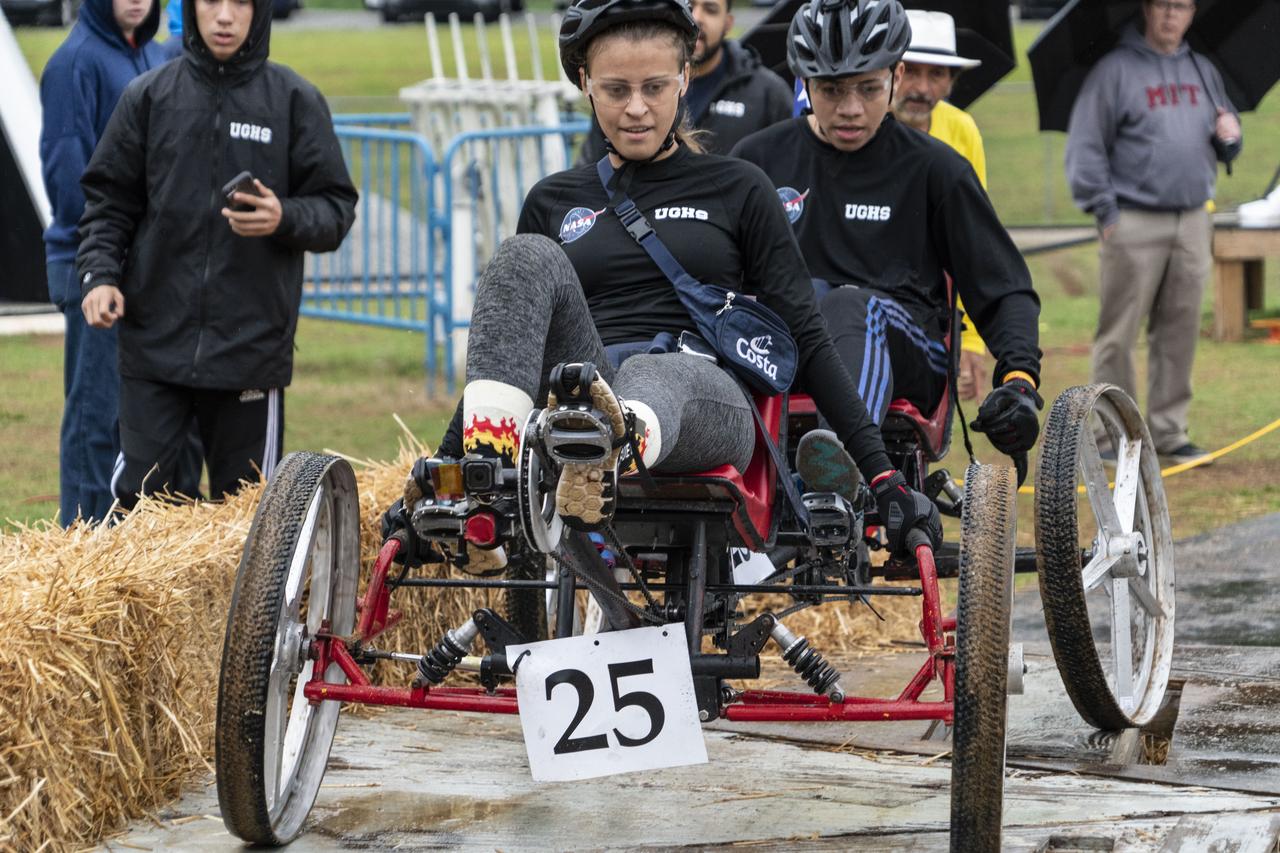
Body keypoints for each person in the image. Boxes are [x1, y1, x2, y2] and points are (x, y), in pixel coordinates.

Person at [386, 0, 940, 568]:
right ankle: (482, 485)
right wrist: (442, 469)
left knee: (649, 372)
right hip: (584, 383)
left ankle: (610, 444)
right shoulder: (554, 199)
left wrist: (883, 474)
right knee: (522, 256)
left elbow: (809, 337)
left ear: (684, 78)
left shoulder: (739, 187)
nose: (636, 109)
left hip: (703, 394)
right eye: (615, 89)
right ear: (585, 84)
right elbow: (510, 351)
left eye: (654, 87)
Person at [731, 0, 1043, 469]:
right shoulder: (755, 161)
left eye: (869, 88)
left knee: (850, 303)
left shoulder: (938, 169)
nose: (851, 109)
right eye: (831, 90)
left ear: (896, 76)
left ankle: (839, 474)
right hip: (786, 348)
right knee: (797, 300)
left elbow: (1003, 288)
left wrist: (1019, 377)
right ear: (804, 83)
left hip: (905, 345)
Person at [76, 0, 358, 509]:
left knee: (251, 522)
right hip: (153, 352)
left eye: (240, 3)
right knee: (143, 513)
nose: (224, 16)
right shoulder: (148, 97)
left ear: (261, 11)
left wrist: (285, 216)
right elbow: (108, 202)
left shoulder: (294, 100)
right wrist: (100, 276)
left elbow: (336, 209)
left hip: (249, 356)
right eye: (211, 1)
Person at [1065, 0, 1241, 465]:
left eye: (1181, 6)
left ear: (1192, 12)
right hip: (1133, 217)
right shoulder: (1114, 71)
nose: (1171, 15)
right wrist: (1106, 211)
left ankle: (1168, 430)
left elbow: (1223, 135)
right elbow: (1085, 146)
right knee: (1119, 332)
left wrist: (1231, 135)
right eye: (1162, 4)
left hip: (1192, 216)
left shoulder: (1204, 70)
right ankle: (1111, 434)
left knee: (1179, 329)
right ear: (1146, 9)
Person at [39, 0, 165, 526]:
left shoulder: (156, 54)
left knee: (136, 422)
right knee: (96, 417)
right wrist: (104, 263)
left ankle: (123, 541)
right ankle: (84, 546)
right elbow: (69, 177)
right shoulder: (75, 63)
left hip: (145, 270)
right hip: (91, 266)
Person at [891, 8, 990, 402]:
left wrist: (974, 343)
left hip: (935, 307)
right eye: (911, 71)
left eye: (937, 74)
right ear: (890, 72)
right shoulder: (858, 128)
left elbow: (975, 243)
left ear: (951, 82)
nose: (922, 87)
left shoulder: (962, 129)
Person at [576, 0, 793, 162]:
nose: (696, 17)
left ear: (728, 23)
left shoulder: (768, 93)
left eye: (710, 9)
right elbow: (591, 168)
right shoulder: (621, 89)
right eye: (687, 4)